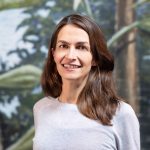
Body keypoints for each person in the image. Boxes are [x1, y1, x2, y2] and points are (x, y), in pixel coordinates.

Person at [33, 14, 140, 150]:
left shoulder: (121, 114)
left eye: (81, 47)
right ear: (54, 54)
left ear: (95, 58)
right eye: (63, 46)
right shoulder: (41, 109)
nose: (70, 56)